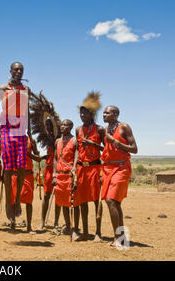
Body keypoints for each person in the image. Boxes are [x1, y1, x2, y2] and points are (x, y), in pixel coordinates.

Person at [0, 62, 32, 225]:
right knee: (8, 168)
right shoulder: (3, 89)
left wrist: (30, 132)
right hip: (7, 128)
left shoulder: (26, 89)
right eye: (15, 69)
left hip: (21, 129)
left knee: (22, 167)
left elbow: (27, 111)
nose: (18, 71)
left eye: (21, 69)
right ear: (10, 71)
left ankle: (16, 199)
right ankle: (9, 203)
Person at [101, 106, 137, 248]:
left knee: (111, 200)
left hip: (121, 167)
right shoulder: (106, 129)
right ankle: (120, 237)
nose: (104, 114)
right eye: (104, 112)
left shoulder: (124, 127)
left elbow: (134, 149)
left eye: (107, 113)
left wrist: (115, 141)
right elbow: (107, 149)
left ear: (115, 115)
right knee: (115, 203)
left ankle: (118, 237)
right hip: (108, 168)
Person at [74, 92, 106, 242]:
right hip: (81, 169)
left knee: (96, 201)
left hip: (95, 168)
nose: (82, 115)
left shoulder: (100, 130)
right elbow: (77, 150)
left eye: (84, 112)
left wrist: (93, 144)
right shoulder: (77, 130)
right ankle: (85, 232)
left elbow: (107, 150)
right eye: (80, 112)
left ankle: (98, 233)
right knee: (82, 201)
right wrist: (74, 167)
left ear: (91, 114)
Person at [53, 119, 81, 239]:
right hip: (59, 175)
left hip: (70, 174)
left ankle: (75, 228)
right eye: (62, 125)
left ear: (70, 127)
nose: (62, 127)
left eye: (65, 125)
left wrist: (74, 168)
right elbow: (55, 158)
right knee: (63, 202)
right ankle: (68, 226)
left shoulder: (75, 140)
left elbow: (77, 155)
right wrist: (54, 174)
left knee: (74, 203)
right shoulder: (57, 141)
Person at [10, 136, 40, 233]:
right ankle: (12, 224)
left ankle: (29, 226)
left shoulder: (31, 140)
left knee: (28, 201)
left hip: (27, 174)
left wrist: (33, 146)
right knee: (13, 200)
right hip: (15, 174)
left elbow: (37, 156)